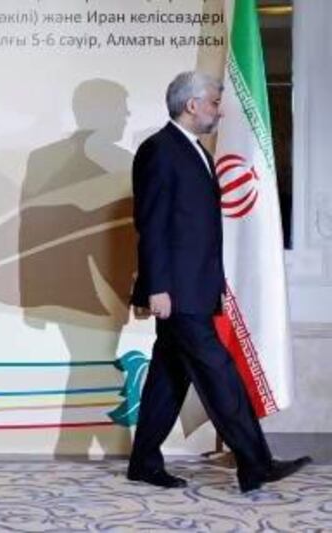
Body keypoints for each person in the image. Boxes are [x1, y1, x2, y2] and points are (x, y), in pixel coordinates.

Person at [127, 71, 310, 493]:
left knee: (169, 376)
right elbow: (151, 226)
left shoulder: (194, 152)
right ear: (192, 105)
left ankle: (143, 462)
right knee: (220, 373)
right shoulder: (159, 151)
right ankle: (256, 463)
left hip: (195, 288)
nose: (219, 109)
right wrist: (157, 288)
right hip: (176, 292)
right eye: (213, 101)